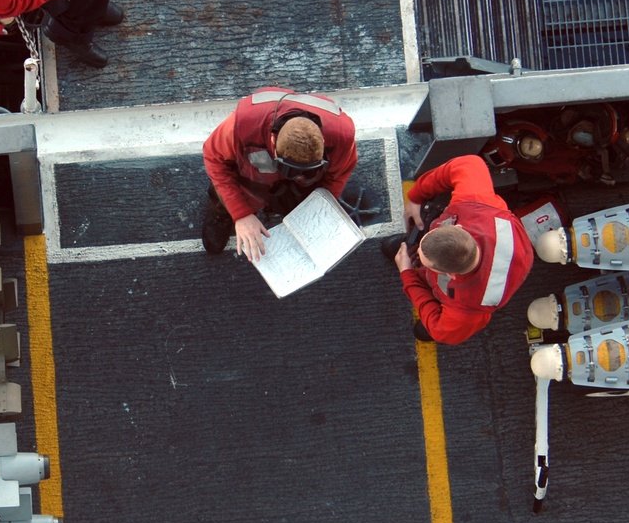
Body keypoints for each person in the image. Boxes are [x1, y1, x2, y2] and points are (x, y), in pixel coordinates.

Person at [384, 154, 534, 345]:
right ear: (459, 228)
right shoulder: (478, 204)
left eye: (422, 260)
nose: (418, 256)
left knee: (430, 329)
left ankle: (426, 295)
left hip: (467, 301)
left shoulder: (467, 309)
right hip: (518, 254)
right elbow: (469, 164)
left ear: (450, 275)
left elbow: (442, 332)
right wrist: (416, 197)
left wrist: (407, 273)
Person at [201, 87, 358, 260]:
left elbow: (337, 177)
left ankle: (297, 203)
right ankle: (222, 212)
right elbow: (214, 158)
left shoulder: (342, 136)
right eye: (289, 170)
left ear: (322, 141)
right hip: (252, 177)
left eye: (306, 170)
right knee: (222, 190)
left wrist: (317, 209)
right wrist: (241, 214)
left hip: (302, 187)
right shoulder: (241, 125)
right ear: (273, 140)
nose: (296, 175)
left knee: (306, 198)